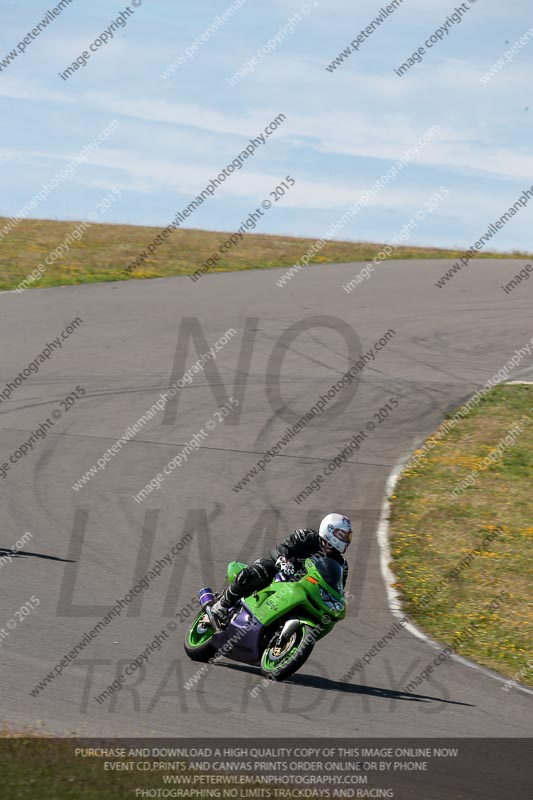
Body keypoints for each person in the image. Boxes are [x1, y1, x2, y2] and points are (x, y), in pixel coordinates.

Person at [210, 513, 352, 628]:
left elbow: (337, 588)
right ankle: (222, 605)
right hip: (279, 573)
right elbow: (280, 549)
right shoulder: (306, 537)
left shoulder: (341, 564)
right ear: (330, 530)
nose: (346, 540)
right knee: (258, 572)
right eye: (343, 535)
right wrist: (282, 560)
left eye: (348, 536)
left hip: (303, 589)